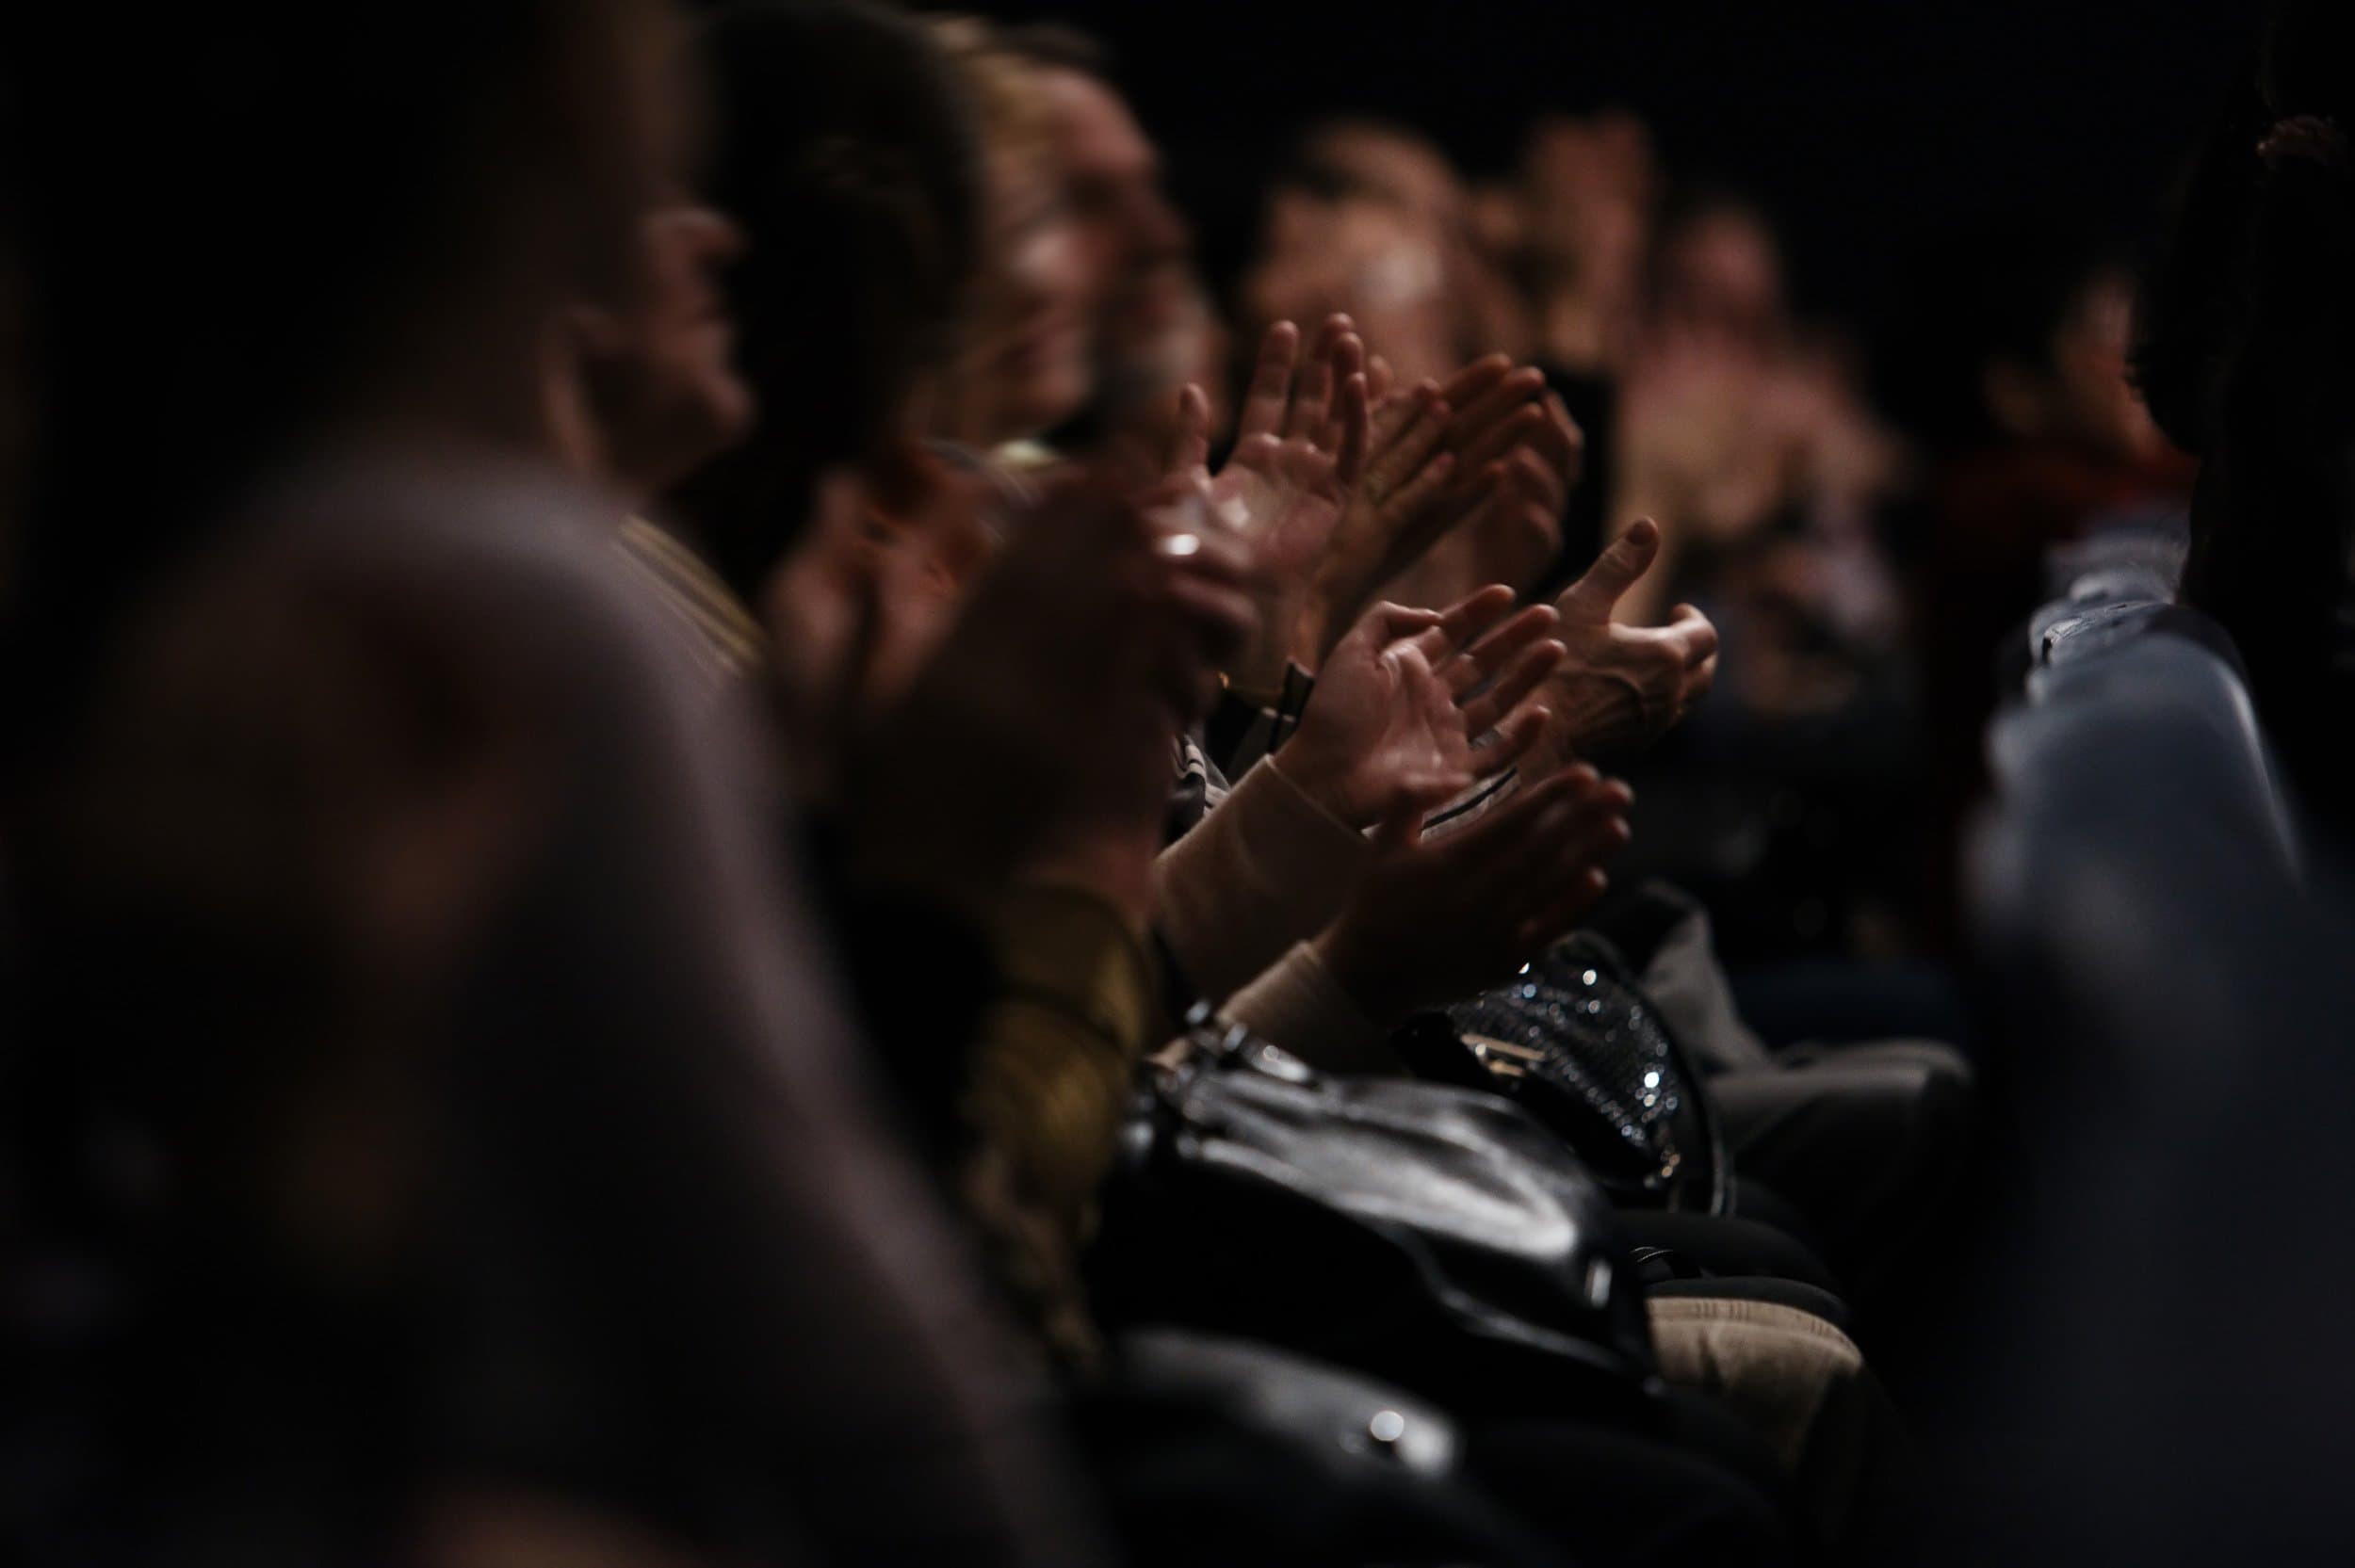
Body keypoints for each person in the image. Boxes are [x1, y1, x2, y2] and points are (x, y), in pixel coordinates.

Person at [4, 3, 1113, 1562]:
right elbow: (889, 1410)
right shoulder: (487, 599)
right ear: (563, 89)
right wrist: (993, 853)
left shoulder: (175, 532)